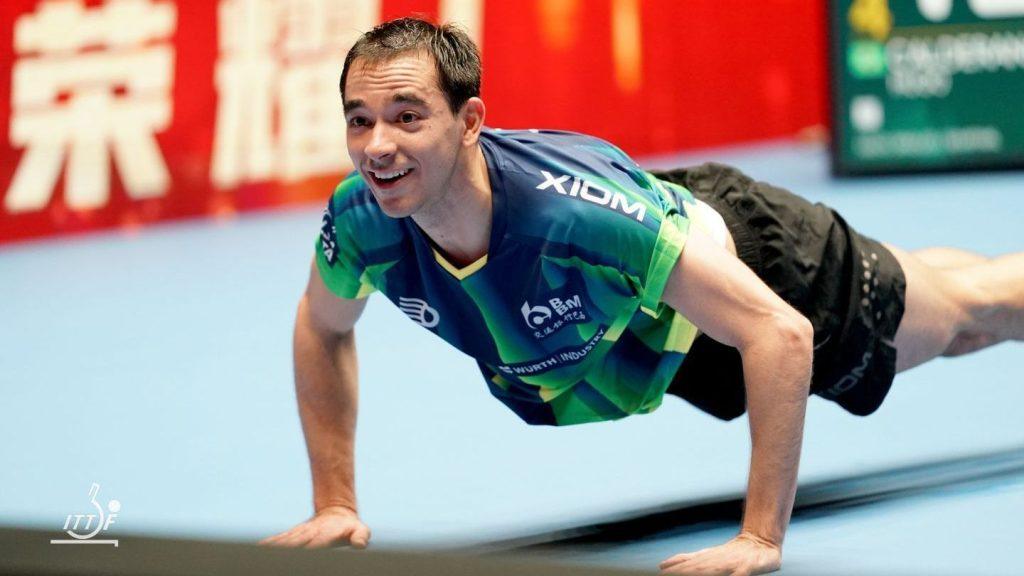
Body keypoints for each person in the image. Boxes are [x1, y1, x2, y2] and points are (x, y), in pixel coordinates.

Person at [260, 17, 1024, 575]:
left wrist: (760, 537)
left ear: (470, 123)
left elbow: (779, 333)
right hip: (662, 328)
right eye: (359, 121)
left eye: (407, 117)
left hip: (762, 273)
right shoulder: (361, 220)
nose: (378, 146)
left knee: (967, 318)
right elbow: (321, 326)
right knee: (943, 293)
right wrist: (335, 502)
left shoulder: (569, 219)